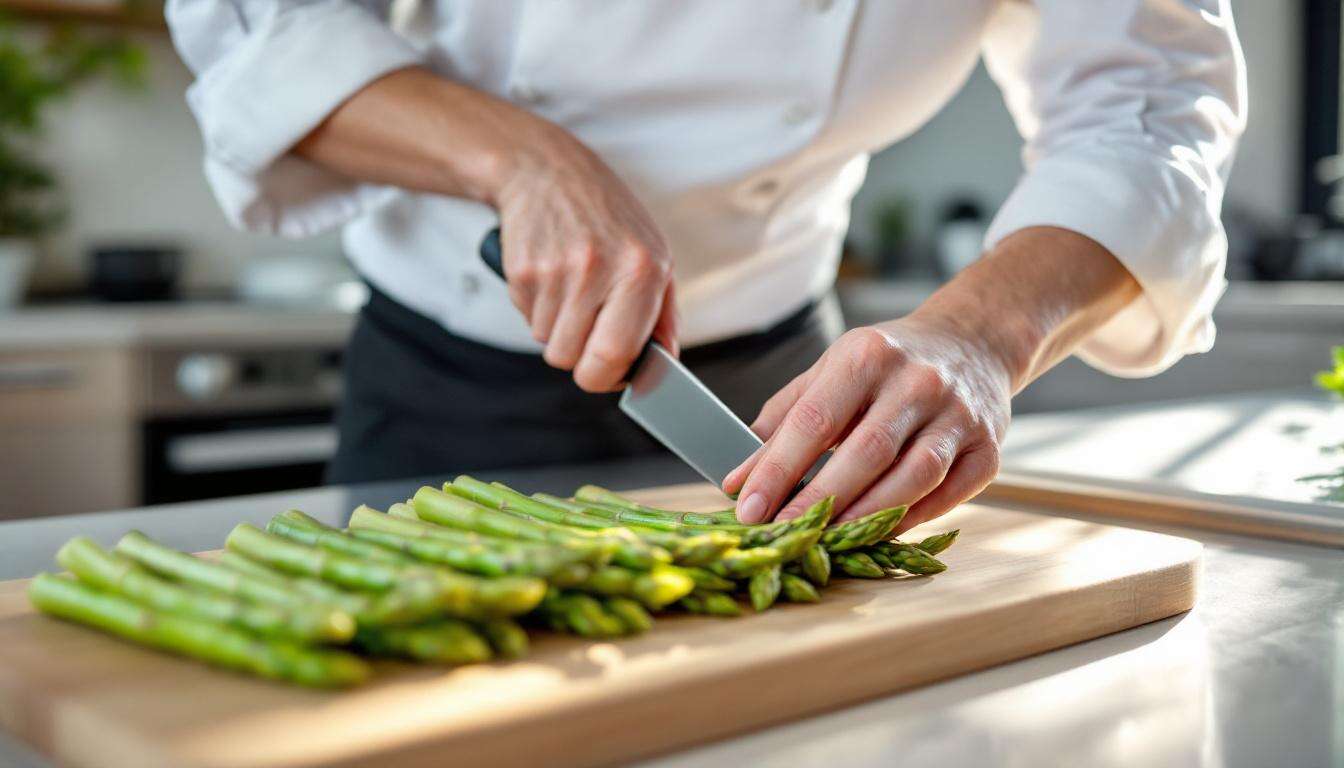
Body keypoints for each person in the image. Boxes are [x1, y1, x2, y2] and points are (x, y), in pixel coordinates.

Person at [166, 1, 1244, 532]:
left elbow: (1148, 110)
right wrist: (522, 158)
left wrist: (978, 337)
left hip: (791, 398)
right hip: (447, 380)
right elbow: (257, 28)